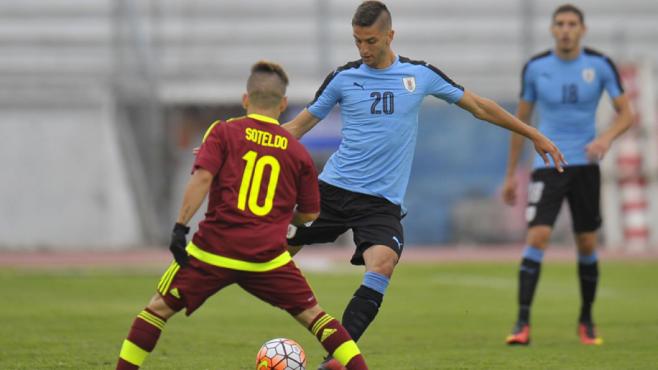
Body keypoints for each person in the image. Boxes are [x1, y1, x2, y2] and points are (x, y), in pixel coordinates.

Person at [282, 2, 565, 368]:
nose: (364, 50)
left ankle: (336, 360)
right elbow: (297, 128)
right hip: (332, 191)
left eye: (370, 41)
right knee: (273, 251)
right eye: (357, 42)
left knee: (382, 264)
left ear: (390, 35)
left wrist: (533, 134)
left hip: (380, 203)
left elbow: (479, 106)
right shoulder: (343, 78)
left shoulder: (420, 75)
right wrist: (237, 142)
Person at [115, 61, 369, 370]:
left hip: (213, 250)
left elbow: (203, 179)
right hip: (267, 257)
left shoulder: (223, 132)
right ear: (284, 103)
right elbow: (310, 213)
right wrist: (287, 227)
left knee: (156, 310)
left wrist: (180, 227)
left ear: (245, 99)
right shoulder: (296, 151)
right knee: (316, 317)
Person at [502, 4, 633, 346]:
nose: (565, 30)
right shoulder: (536, 68)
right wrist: (510, 174)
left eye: (572, 24)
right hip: (547, 166)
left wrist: (605, 138)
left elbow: (627, 114)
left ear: (582, 29)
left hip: (585, 167)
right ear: (552, 29)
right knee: (537, 238)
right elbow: (520, 123)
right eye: (559, 24)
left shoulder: (600, 65)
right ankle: (522, 323)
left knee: (587, 243)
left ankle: (587, 320)